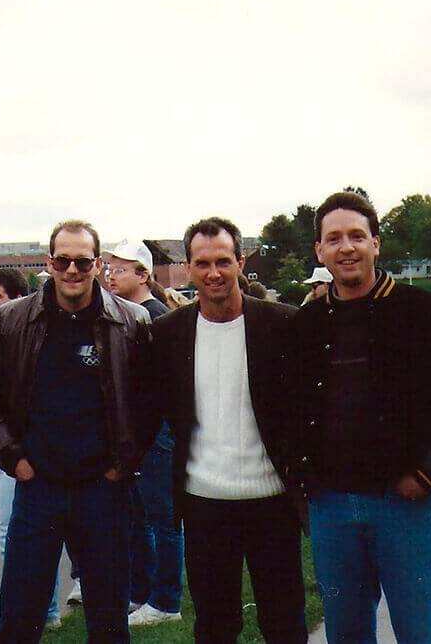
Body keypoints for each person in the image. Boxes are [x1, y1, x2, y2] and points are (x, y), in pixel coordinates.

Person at [291, 191, 431, 643]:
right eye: (334, 238)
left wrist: (426, 475)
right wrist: (303, 477)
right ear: (319, 251)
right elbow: (290, 412)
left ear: (376, 244)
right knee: (347, 636)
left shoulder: (430, 317)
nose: (347, 247)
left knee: (424, 635)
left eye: (357, 236)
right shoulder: (304, 326)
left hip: (408, 506)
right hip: (332, 509)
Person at [0, 220, 156, 643]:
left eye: (82, 261)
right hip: (38, 488)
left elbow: (149, 405)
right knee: (18, 620)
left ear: (97, 264)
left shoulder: (132, 321)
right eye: (62, 260)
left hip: (104, 491)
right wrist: (15, 461)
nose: (72, 270)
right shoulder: (12, 319)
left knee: (110, 621)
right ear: (49, 263)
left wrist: (121, 467)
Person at [151, 219, 307, 643]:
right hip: (204, 504)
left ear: (241, 261)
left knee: (284, 622)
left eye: (223, 260)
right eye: (202, 263)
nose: (214, 272)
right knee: (215, 627)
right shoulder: (168, 334)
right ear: (187, 268)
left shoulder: (284, 325)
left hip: (272, 501)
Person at [104, 239, 183, 627]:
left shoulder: (151, 316)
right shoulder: (128, 314)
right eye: (109, 269)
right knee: (139, 517)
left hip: (157, 430)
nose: (110, 276)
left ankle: (167, 601)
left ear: (143, 275)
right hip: (138, 432)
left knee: (162, 519)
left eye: (120, 269)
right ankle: (141, 592)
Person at [0, 268, 65, 631]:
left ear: (17, 298)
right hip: (12, 455)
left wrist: (18, 458)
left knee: (19, 539)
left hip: (32, 458)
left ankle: (42, 615)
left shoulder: (32, 333)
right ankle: (44, 614)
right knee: (15, 539)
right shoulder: (3, 335)